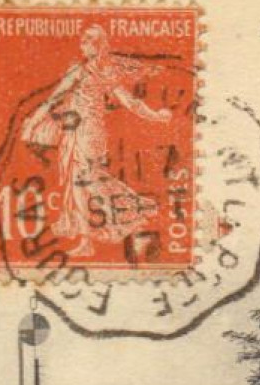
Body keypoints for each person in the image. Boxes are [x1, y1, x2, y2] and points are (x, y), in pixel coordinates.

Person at [19, 25, 172, 258]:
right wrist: (156, 116)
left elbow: (51, 101)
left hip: (82, 134)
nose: (83, 45)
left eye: (87, 41)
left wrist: (31, 124)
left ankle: (88, 240)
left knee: (82, 186)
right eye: (83, 41)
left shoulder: (79, 72)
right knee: (91, 182)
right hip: (95, 135)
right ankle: (128, 212)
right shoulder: (106, 72)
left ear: (96, 45)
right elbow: (131, 102)